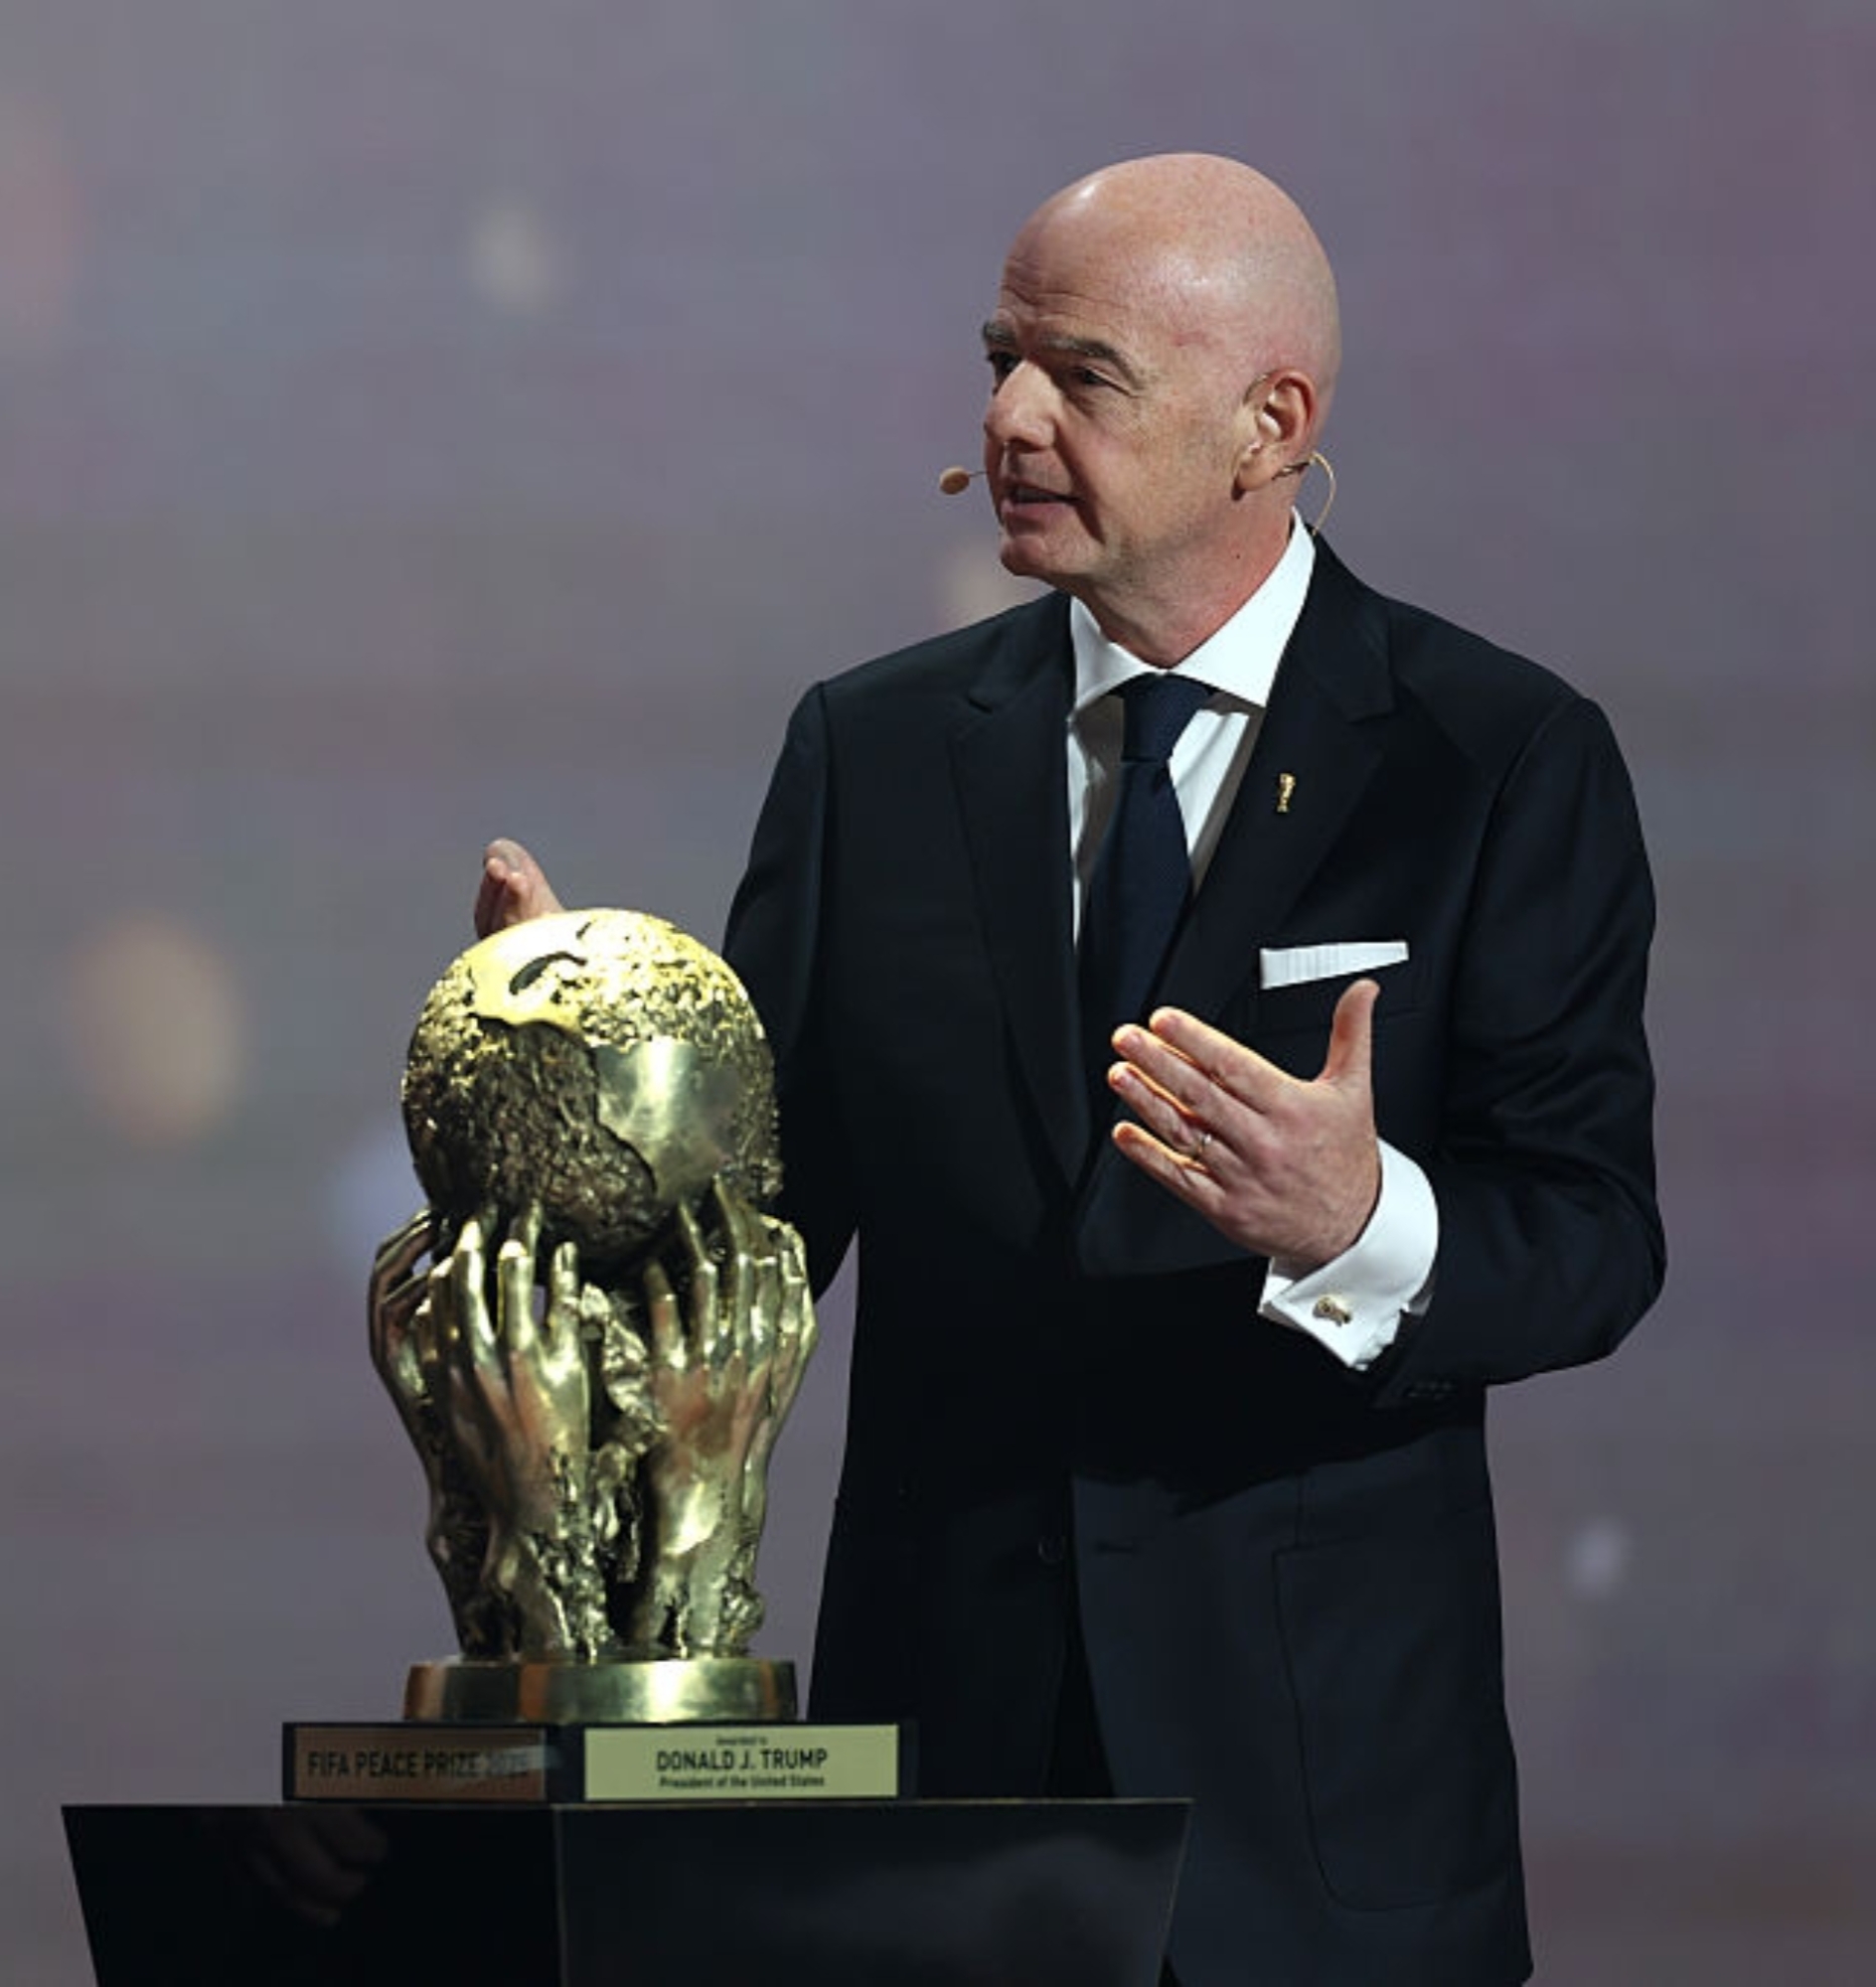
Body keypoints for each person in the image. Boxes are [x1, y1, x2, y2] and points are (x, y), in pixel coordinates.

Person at [476, 153, 1660, 1986]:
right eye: (1000, 358)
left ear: (1271, 423)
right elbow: (753, 1234)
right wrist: (591, 1078)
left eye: (1081, 375)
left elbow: (1591, 1237)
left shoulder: (1488, 755)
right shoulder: (871, 752)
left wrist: (1358, 1222)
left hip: (1322, 1817)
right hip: (949, 1789)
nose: (1008, 417)